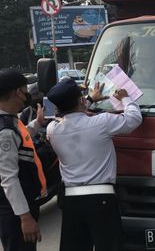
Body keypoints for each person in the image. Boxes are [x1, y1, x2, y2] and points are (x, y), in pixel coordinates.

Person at [46, 78, 142, 251]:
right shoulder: (102, 122)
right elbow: (134, 118)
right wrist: (126, 98)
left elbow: (67, 117)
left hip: (71, 201)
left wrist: (88, 100)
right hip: (102, 199)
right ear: (80, 100)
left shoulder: (53, 130)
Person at [0, 69, 46, 251]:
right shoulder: (5, 131)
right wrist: (25, 217)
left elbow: (21, 137)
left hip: (20, 207)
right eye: (25, 89)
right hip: (15, 213)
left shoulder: (10, 122)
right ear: (17, 92)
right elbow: (9, 178)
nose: (28, 94)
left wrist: (37, 123)